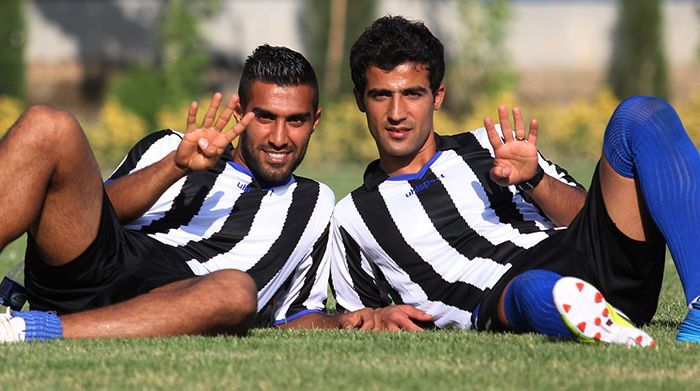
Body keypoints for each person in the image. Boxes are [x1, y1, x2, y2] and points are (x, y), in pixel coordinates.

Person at [329, 15, 700, 345]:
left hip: (587, 256)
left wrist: (535, 179)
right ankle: (605, 328)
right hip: (504, 296)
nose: (397, 113)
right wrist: (375, 317)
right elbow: (354, 316)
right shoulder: (352, 216)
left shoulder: (487, 144)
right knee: (532, 288)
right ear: (361, 99)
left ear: (437, 96)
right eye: (381, 95)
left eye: (412, 94)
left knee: (640, 115)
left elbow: (590, 216)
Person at [0, 45, 381, 343]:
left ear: (314, 121)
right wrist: (175, 167)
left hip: (184, 296)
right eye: (265, 117)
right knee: (47, 125)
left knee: (236, 291)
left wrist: (348, 320)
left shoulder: (315, 204)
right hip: (105, 258)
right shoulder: (171, 146)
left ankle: (27, 330)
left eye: (295, 120)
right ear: (240, 112)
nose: (279, 138)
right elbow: (98, 210)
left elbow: (295, 315)